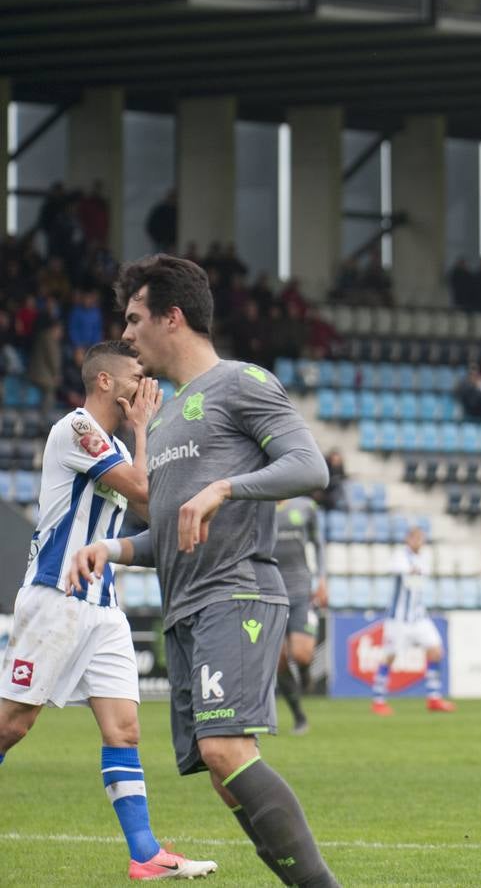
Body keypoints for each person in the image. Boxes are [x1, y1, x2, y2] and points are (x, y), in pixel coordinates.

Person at [67, 254, 339, 887]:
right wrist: (117, 550)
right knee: (224, 777)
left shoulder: (243, 382)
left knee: (226, 751)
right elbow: (170, 532)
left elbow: (310, 468)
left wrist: (225, 488)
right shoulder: (159, 420)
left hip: (236, 592)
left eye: (135, 319)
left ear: (173, 316)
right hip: (184, 607)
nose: (126, 334)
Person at [0, 340, 218, 880]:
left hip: (102, 605)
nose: (144, 384)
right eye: (136, 375)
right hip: (55, 596)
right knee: (12, 725)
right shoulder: (74, 430)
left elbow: (149, 504)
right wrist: (146, 428)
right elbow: (145, 487)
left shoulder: (113, 448)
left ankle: (144, 855)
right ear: (105, 382)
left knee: (123, 730)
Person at [371, 527, 455, 716]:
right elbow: (395, 569)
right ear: (408, 539)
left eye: (421, 539)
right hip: (398, 620)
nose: (418, 542)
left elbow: (420, 578)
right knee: (390, 656)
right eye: (415, 538)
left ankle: (434, 698)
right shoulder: (400, 556)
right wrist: (410, 569)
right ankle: (378, 700)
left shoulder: (423, 559)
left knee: (435, 650)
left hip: (419, 618)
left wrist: (415, 570)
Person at [272, 494, 328, 733]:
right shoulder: (256, 503)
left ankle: (305, 673)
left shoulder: (305, 506)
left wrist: (322, 578)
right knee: (279, 661)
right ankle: (299, 716)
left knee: (302, 654)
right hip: (270, 590)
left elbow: (318, 542)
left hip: (300, 590)